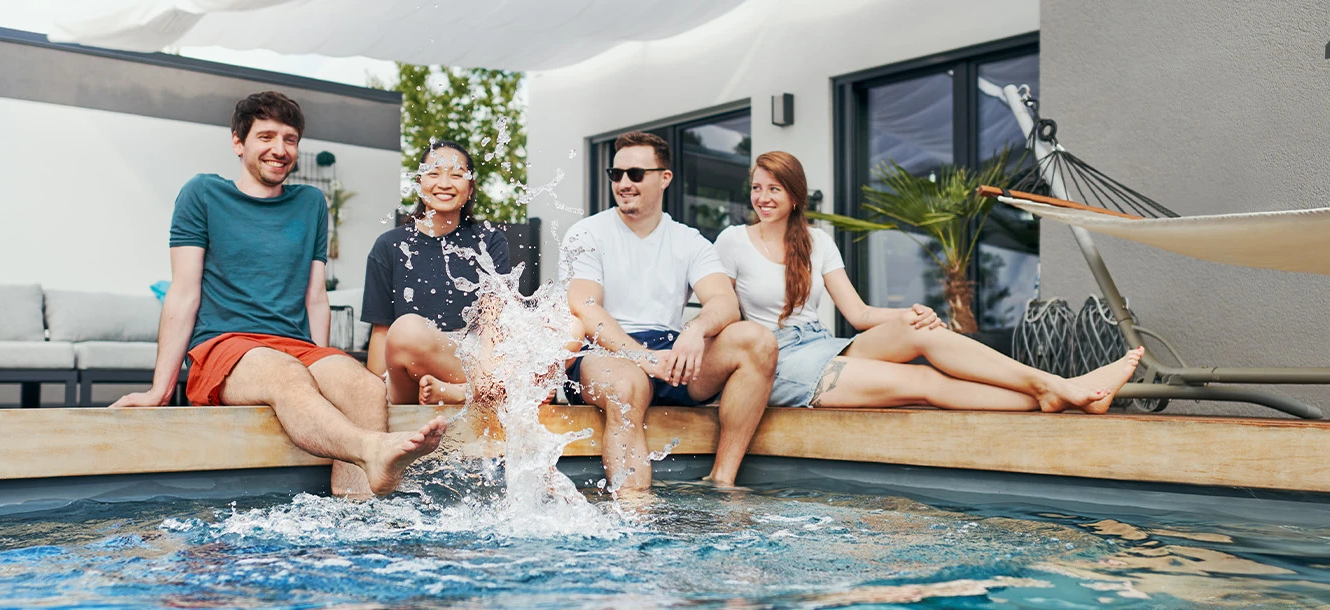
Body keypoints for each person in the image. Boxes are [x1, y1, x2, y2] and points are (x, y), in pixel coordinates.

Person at [702, 151, 1141, 486]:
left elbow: (858, 314)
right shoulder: (732, 241)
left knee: (920, 331)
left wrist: (909, 313)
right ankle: (1060, 391)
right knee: (925, 385)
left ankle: (1053, 388)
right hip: (776, 361)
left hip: (820, 342)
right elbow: (722, 313)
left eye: (773, 189)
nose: (762, 198)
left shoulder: (817, 242)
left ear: (794, 195)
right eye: (757, 188)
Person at [109, 91, 446, 498]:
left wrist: (326, 368)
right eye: (266, 136)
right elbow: (183, 294)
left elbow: (316, 297)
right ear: (239, 142)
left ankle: (359, 523)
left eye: (289, 139)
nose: (279, 149)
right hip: (224, 347)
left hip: (294, 347)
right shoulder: (201, 194)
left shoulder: (310, 203)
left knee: (365, 387)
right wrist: (160, 391)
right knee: (287, 373)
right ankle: (372, 450)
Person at [562, 131, 777, 499]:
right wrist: (640, 356)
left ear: (664, 178)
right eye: (617, 175)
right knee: (629, 383)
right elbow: (585, 306)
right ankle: (635, 516)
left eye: (635, 174)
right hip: (604, 354)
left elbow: (724, 302)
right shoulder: (588, 232)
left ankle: (721, 483)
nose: (624, 183)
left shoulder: (689, 240)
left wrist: (694, 330)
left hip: (670, 354)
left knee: (757, 341)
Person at [363, 141, 516, 406]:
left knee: (564, 327)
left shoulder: (489, 242)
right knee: (406, 330)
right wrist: (372, 400)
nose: (444, 183)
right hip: (408, 378)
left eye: (456, 175)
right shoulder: (389, 246)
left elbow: (493, 323)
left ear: (469, 189)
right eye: (434, 173)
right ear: (419, 183)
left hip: (467, 366)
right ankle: (482, 391)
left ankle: (462, 391)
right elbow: (381, 331)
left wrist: (490, 371)